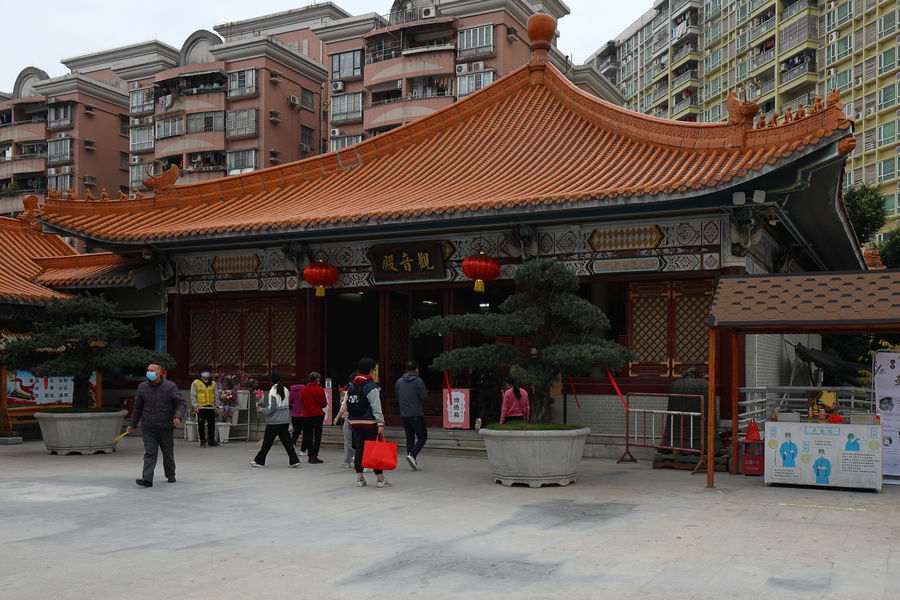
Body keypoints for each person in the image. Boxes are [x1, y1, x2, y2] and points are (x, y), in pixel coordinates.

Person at [127, 364, 186, 487]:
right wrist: (132, 424)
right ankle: (147, 479)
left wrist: (178, 416)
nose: (149, 373)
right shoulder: (142, 387)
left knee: (167, 452)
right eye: (148, 370)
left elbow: (181, 403)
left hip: (165, 426)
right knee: (150, 453)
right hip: (148, 426)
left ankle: (170, 474)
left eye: (152, 371)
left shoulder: (170, 386)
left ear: (159, 373)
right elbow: (138, 407)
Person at [348, 357, 390, 488]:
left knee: (359, 449)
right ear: (371, 370)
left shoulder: (353, 384)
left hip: (355, 421)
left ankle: (360, 479)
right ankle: (380, 479)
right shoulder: (371, 386)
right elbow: (376, 406)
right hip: (369, 422)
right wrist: (380, 423)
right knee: (375, 450)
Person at [251, 370, 300, 468]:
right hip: (284, 420)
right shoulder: (286, 390)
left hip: (274, 421)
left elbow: (272, 407)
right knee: (287, 442)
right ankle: (294, 460)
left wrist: (263, 410)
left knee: (267, 443)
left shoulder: (273, 390)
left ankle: (259, 461)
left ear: (271, 379)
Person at [396, 359, 428, 471]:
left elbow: (398, 395)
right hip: (416, 413)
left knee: (410, 438)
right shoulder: (418, 381)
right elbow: (423, 396)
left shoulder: (399, 381)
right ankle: (412, 455)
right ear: (415, 370)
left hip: (404, 413)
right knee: (423, 436)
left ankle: (412, 463)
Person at [300, 372, 328, 464]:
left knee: (308, 436)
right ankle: (314, 455)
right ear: (317, 379)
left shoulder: (304, 389)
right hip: (317, 415)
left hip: (307, 415)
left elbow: (302, 401)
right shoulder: (320, 390)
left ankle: (309, 454)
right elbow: (324, 404)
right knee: (317, 436)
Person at [190, 366, 219, 448]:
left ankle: (211, 440)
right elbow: (193, 395)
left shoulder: (213, 383)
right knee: (201, 424)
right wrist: (195, 406)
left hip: (211, 406)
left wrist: (217, 406)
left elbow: (216, 395)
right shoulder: (196, 382)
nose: (206, 373)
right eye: (204, 372)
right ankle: (202, 440)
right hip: (201, 407)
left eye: (207, 371)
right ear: (200, 373)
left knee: (211, 424)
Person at [332, 372, 357, 468]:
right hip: (361, 419)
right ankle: (352, 458)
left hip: (349, 419)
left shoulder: (350, 391)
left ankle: (351, 459)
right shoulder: (365, 389)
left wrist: (337, 418)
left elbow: (343, 407)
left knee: (348, 441)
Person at [289, 378, 307, 452]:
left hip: (295, 414)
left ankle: (292, 444)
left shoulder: (293, 390)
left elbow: (290, 402)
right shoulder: (306, 390)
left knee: (296, 431)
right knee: (305, 433)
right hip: (304, 414)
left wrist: (292, 409)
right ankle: (303, 450)